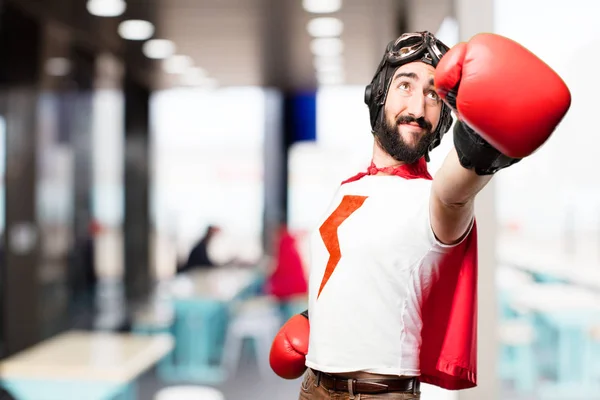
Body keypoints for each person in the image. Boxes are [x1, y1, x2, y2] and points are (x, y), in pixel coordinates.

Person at [268, 31, 571, 399]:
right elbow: (361, 275)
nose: (418, 107)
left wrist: (487, 136)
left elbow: (458, 187)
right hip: (313, 388)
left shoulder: (433, 200)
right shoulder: (348, 187)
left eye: (433, 94)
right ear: (378, 96)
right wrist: (311, 318)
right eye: (406, 86)